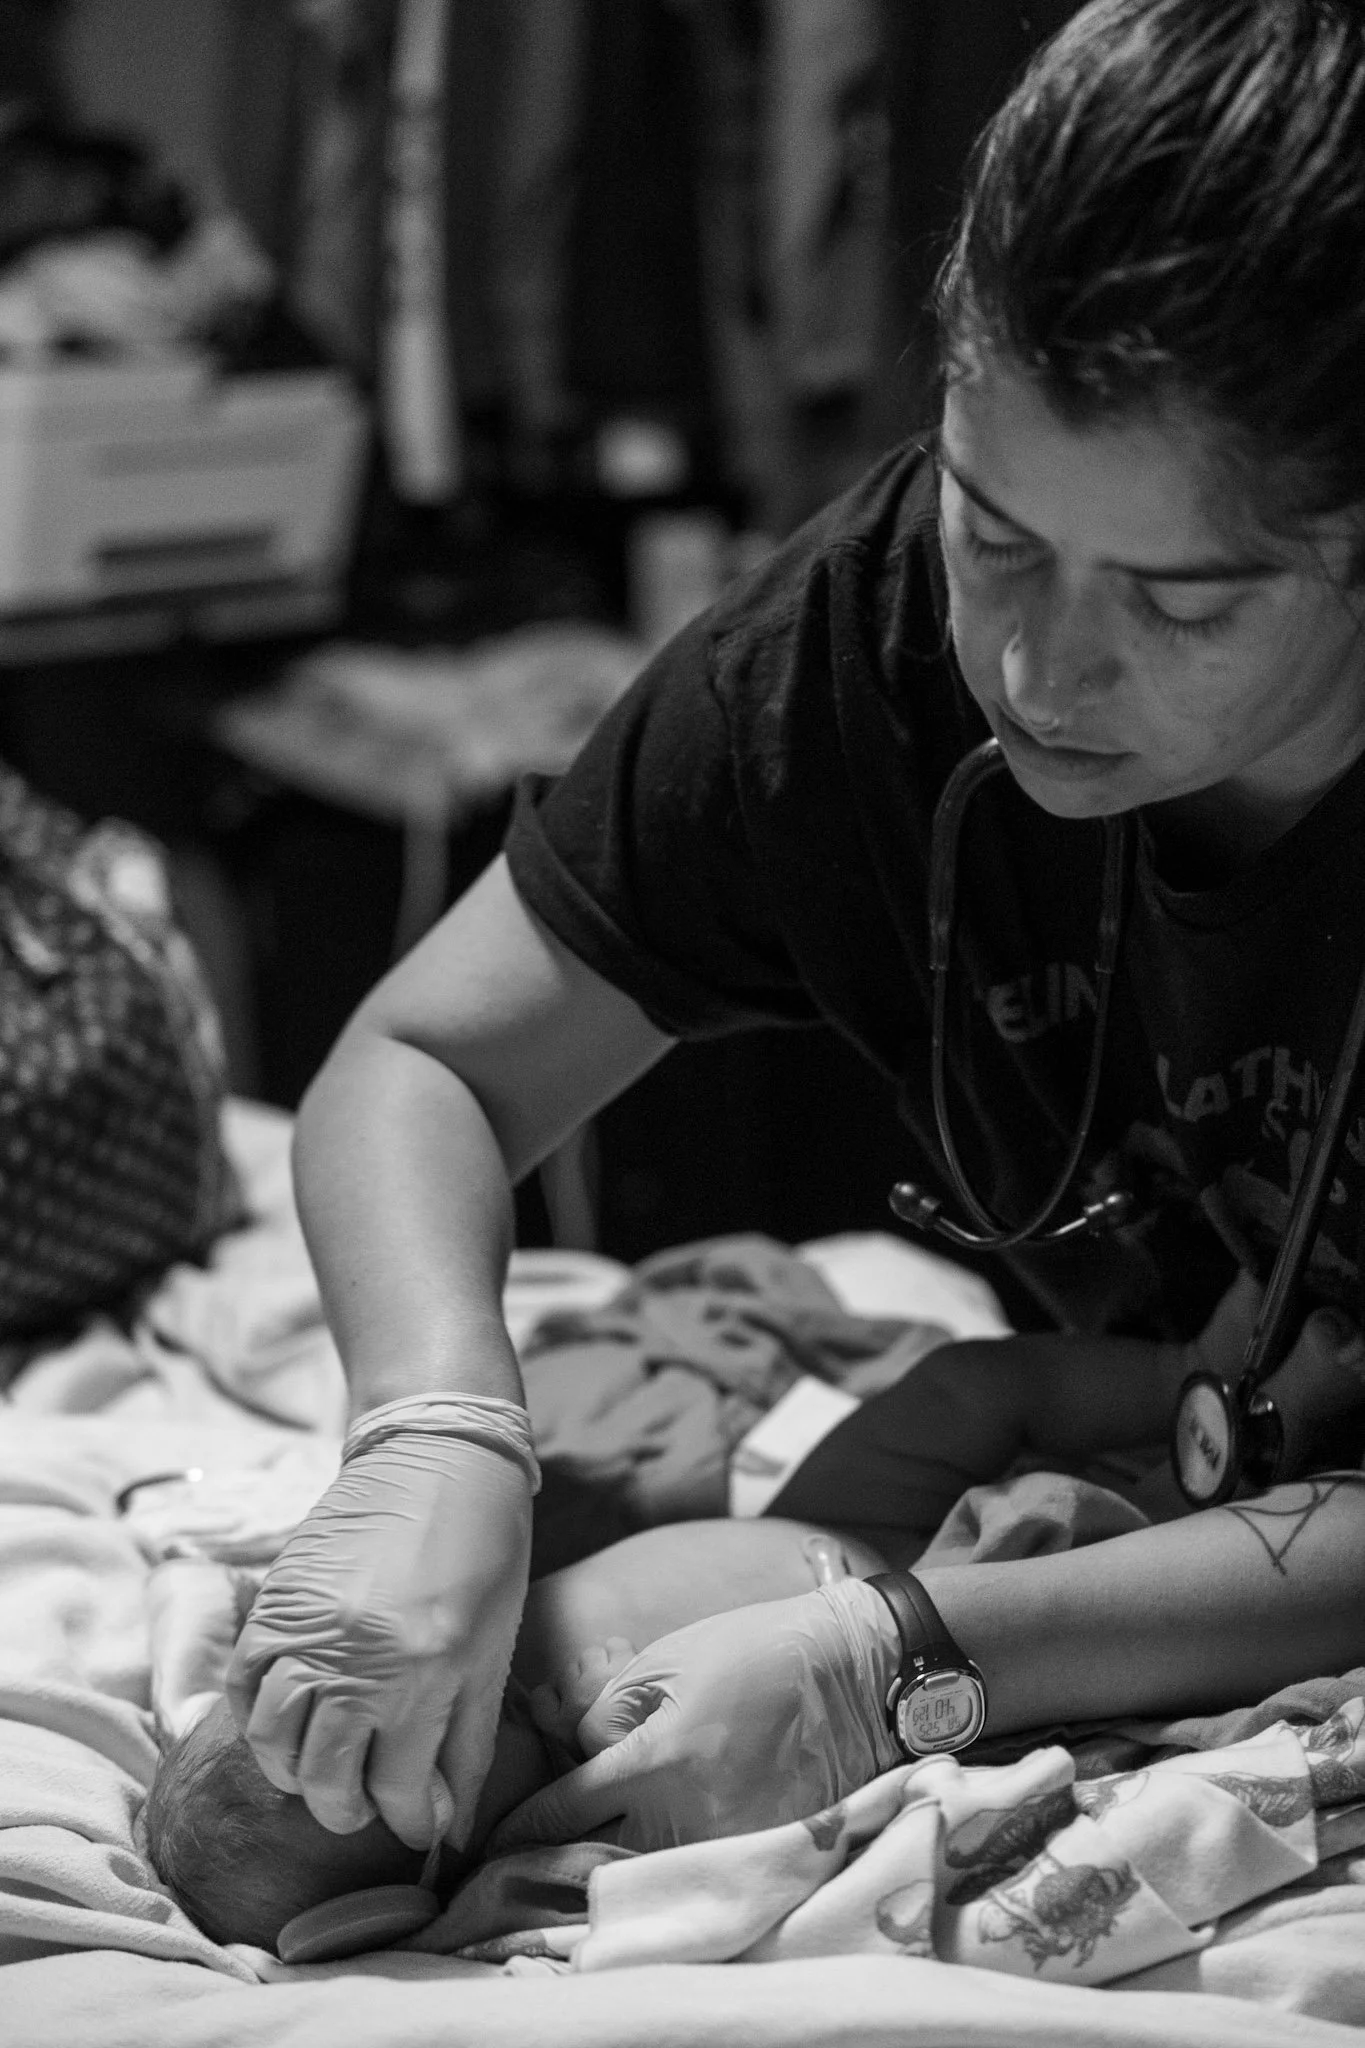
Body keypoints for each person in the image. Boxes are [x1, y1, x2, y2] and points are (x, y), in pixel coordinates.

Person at [228, 0, 1365, 1857]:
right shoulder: (863, 642)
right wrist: (434, 1416)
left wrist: (909, 1659)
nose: (1034, 666)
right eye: (992, 533)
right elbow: (429, 1056)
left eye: (1181, 602)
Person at [147, 1515, 882, 1946]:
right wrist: (592, 1743)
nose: (398, 1709)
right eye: (396, 1760)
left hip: (804, 1518)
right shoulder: (591, 1807)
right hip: (884, 1615)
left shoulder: (452, 1655)